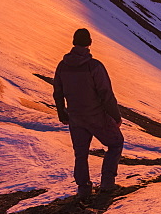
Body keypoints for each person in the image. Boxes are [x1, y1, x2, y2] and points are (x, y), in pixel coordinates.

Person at [52, 28, 124, 200]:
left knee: (81, 153)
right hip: (96, 117)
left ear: (73, 42)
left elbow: (57, 91)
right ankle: (107, 184)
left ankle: (83, 189)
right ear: (89, 43)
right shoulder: (94, 66)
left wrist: (62, 112)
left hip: (75, 118)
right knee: (115, 143)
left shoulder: (62, 66)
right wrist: (116, 116)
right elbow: (106, 94)